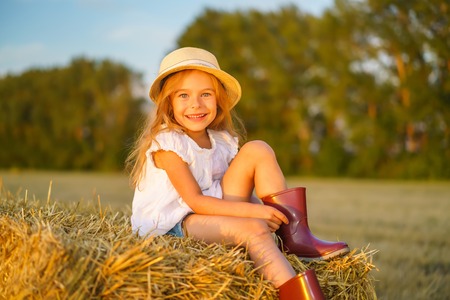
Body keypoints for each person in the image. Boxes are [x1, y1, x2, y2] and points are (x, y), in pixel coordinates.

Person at [127, 47, 349, 299]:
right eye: (184, 96)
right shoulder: (168, 144)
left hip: (213, 206)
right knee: (253, 230)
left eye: (206, 94)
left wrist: (270, 214)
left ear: (219, 99)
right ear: (168, 102)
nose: (195, 104)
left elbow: (234, 192)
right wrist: (255, 213)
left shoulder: (220, 141)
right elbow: (196, 202)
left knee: (258, 148)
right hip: (174, 222)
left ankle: (295, 235)